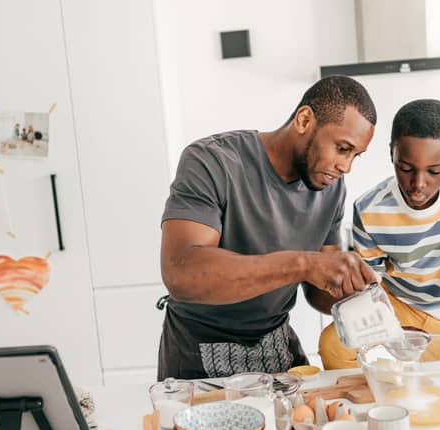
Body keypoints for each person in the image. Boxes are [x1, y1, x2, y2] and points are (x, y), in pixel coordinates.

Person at [159, 76, 378, 380]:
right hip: (198, 353)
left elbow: (319, 291)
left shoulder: (332, 188)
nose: (347, 166)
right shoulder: (211, 161)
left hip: (277, 348)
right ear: (304, 120)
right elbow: (181, 273)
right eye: (342, 148)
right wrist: (303, 263)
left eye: (356, 155)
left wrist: (361, 290)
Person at [318, 99, 440, 379]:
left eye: (434, 171)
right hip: (395, 306)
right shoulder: (369, 209)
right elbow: (371, 286)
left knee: (434, 380)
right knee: (332, 345)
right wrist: (392, 330)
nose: (418, 184)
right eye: (405, 168)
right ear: (392, 154)